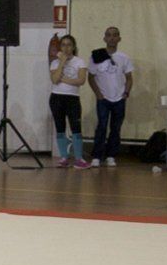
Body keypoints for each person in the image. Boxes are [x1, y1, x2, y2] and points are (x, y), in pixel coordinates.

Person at [88, 27, 134, 167]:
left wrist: (126, 92)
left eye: (115, 35)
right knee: (101, 126)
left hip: (119, 99)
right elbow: (90, 77)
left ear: (119, 38)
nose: (112, 38)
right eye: (109, 35)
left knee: (116, 127)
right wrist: (98, 94)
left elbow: (129, 78)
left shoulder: (124, 58)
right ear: (104, 38)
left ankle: (111, 155)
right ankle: (96, 156)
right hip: (103, 98)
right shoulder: (96, 55)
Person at [49, 34, 90, 169]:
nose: (66, 48)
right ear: (60, 47)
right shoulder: (55, 63)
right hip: (57, 98)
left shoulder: (80, 62)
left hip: (72, 99)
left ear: (73, 47)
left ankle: (79, 159)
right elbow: (54, 80)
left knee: (76, 129)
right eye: (63, 45)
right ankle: (64, 157)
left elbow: (81, 81)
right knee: (60, 128)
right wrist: (62, 61)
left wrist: (64, 79)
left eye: (69, 45)